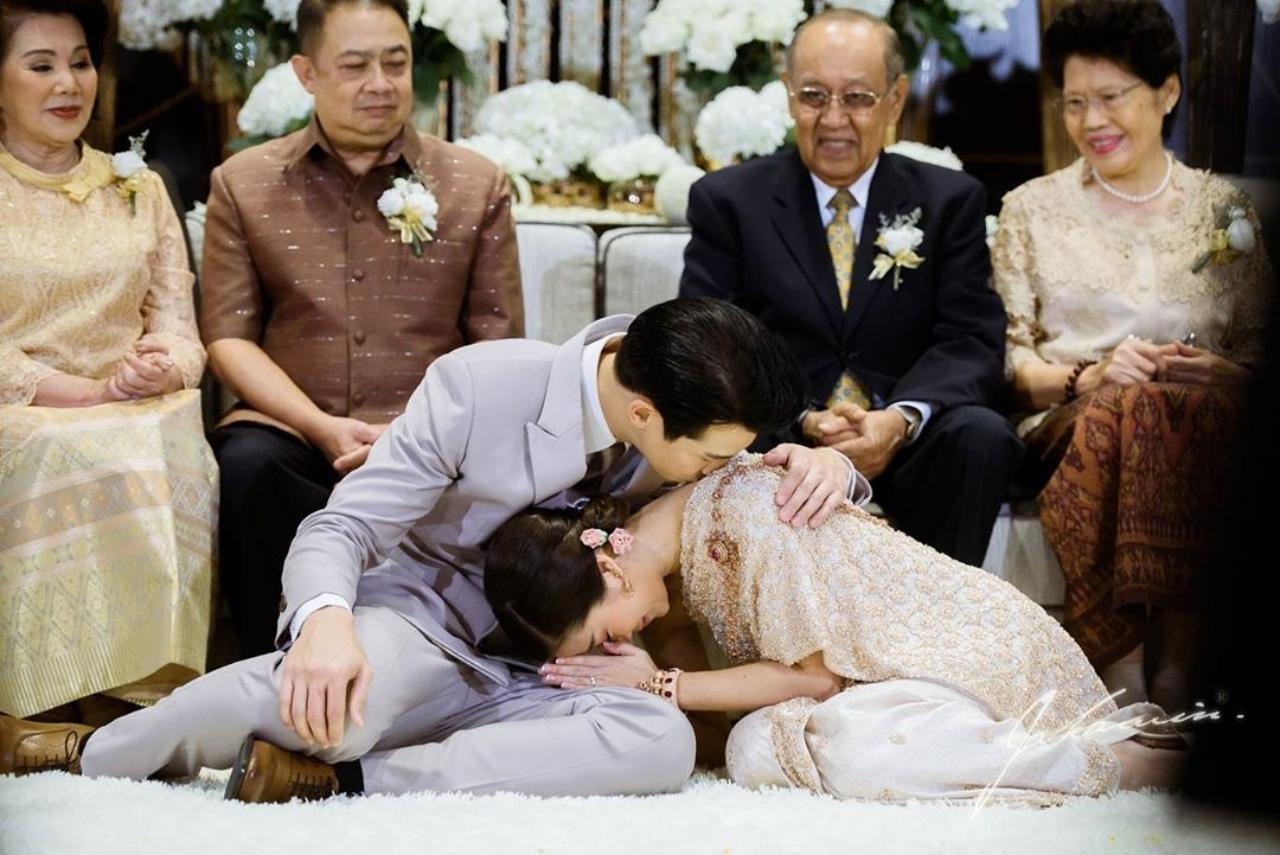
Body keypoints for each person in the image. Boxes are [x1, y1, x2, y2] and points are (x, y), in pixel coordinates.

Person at [0, 298, 866, 800]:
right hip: (423, 629)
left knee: (659, 743)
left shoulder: (689, 393)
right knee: (327, 700)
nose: (721, 470)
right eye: (710, 459)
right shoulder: (479, 386)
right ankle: (82, 751)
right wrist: (327, 622)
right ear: (643, 414)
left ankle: (349, 783)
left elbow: (759, 475)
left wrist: (834, 466)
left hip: (546, 670)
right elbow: (340, 527)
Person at [484, 455, 1188, 803]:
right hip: (877, 684)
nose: (618, 648)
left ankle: (1115, 764)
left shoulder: (745, 516)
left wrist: (659, 684)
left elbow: (813, 680)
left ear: (609, 567)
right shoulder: (670, 566)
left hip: (964, 659)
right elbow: (722, 730)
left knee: (851, 754)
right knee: (756, 747)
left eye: (600, 638)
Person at [201, 0, 523, 655]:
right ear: (306, 73)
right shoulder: (243, 184)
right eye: (354, 66)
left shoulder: (474, 184)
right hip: (292, 433)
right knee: (248, 465)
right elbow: (229, 336)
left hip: (432, 438)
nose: (380, 83)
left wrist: (415, 434)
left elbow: (499, 346)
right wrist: (321, 426)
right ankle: (273, 670)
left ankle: (437, 668)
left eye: (395, 63)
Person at [992, 0, 1273, 711]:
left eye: (1111, 98)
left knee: (1179, 407)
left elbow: (1258, 354)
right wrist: (1087, 375)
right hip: (1071, 425)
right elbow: (1007, 365)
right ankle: (1125, 660)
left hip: (1203, 427)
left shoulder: (1223, 210)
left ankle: (1177, 665)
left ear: (1167, 92)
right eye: (1074, 102)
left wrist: (1223, 374)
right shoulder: (1032, 209)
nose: (1092, 121)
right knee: (1133, 405)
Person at [679, 8, 1019, 566]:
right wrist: (804, 416)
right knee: (729, 429)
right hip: (782, 437)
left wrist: (899, 420)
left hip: (906, 444)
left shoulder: (948, 200)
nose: (834, 118)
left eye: (858, 98)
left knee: (980, 434)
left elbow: (970, 338)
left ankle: (937, 608)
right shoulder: (729, 201)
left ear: (896, 99)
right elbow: (710, 338)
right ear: (789, 95)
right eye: (814, 95)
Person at [0, 0, 215, 722]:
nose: (68, 83)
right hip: (22, 411)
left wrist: (164, 366)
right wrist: (85, 394)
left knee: (166, 437)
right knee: (69, 448)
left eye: (80, 62)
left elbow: (180, 324)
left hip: (133, 403)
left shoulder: (138, 185)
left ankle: (149, 699)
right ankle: (44, 703)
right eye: (41, 66)